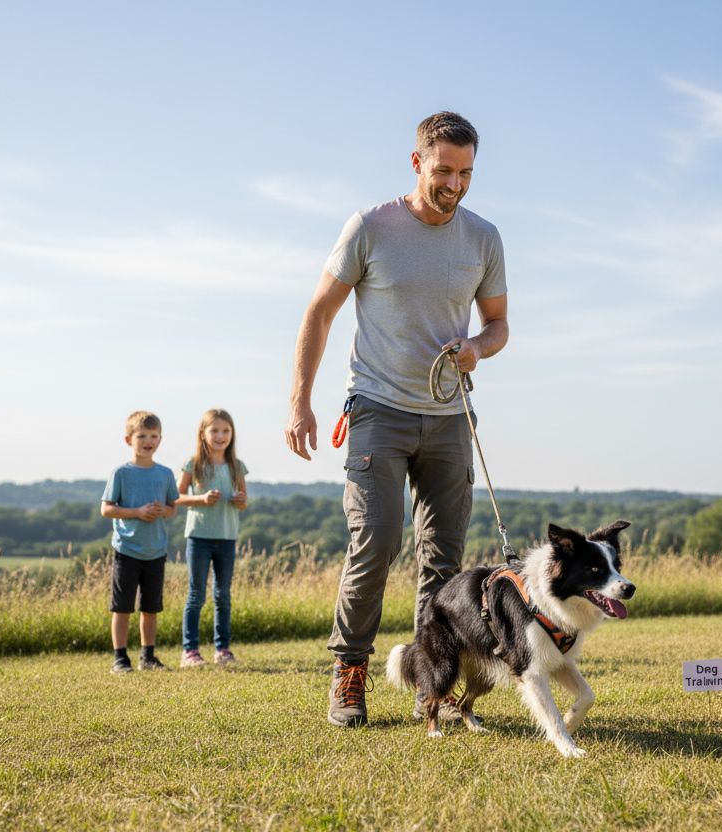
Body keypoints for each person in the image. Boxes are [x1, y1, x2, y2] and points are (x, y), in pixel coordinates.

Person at [285, 111, 509, 727]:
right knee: (377, 542)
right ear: (417, 163)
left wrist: (477, 349)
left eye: (466, 174)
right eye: (443, 171)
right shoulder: (370, 227)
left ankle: (428, 685)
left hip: (447, 417)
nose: (455, 185)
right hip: (378, 411)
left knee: (443, 560)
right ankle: (350, 671)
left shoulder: (483, 238)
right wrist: (300, 399)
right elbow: (319, 312)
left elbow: (498, 326)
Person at [101, 410, 179, 673]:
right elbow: (107, 509)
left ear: (160, 439)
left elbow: (172, 509)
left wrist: (160, 512)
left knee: (150, 608)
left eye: (154, 435)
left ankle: (148, 657)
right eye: (142, 435)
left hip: (156, 550)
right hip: (127, 549)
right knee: (122, 607)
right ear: (128, 440)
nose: (148, 440)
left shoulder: (166, 474)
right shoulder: (121, 473)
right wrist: (137, 512)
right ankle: (120, 659)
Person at [174, 408, 249, 668]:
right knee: (196, 595)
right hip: (199, 537)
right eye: (214, 430)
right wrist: (201, 499)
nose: (220, 435)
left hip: (227, 537)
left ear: (232, 434)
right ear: (203, 434)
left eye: (225, 430)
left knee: (223, 595)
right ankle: (190, 651)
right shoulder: (193, 464)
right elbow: (176, 496)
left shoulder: (236, 466)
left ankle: (222, 649)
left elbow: (242, 502)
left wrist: (240, 500)